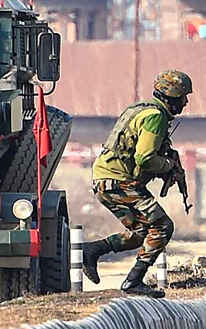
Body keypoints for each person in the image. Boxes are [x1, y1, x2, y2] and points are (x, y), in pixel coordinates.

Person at [81, 70, 194, 298]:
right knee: (162, 226)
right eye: (183, 96)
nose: (186, 102)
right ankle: (133, 282)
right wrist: (168, 166)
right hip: (117, 183)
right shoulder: (155, 117)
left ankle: (93, 250)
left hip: (107, 180)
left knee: (141, 231)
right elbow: (145, 158)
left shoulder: (140, 109)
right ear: (172, 96)